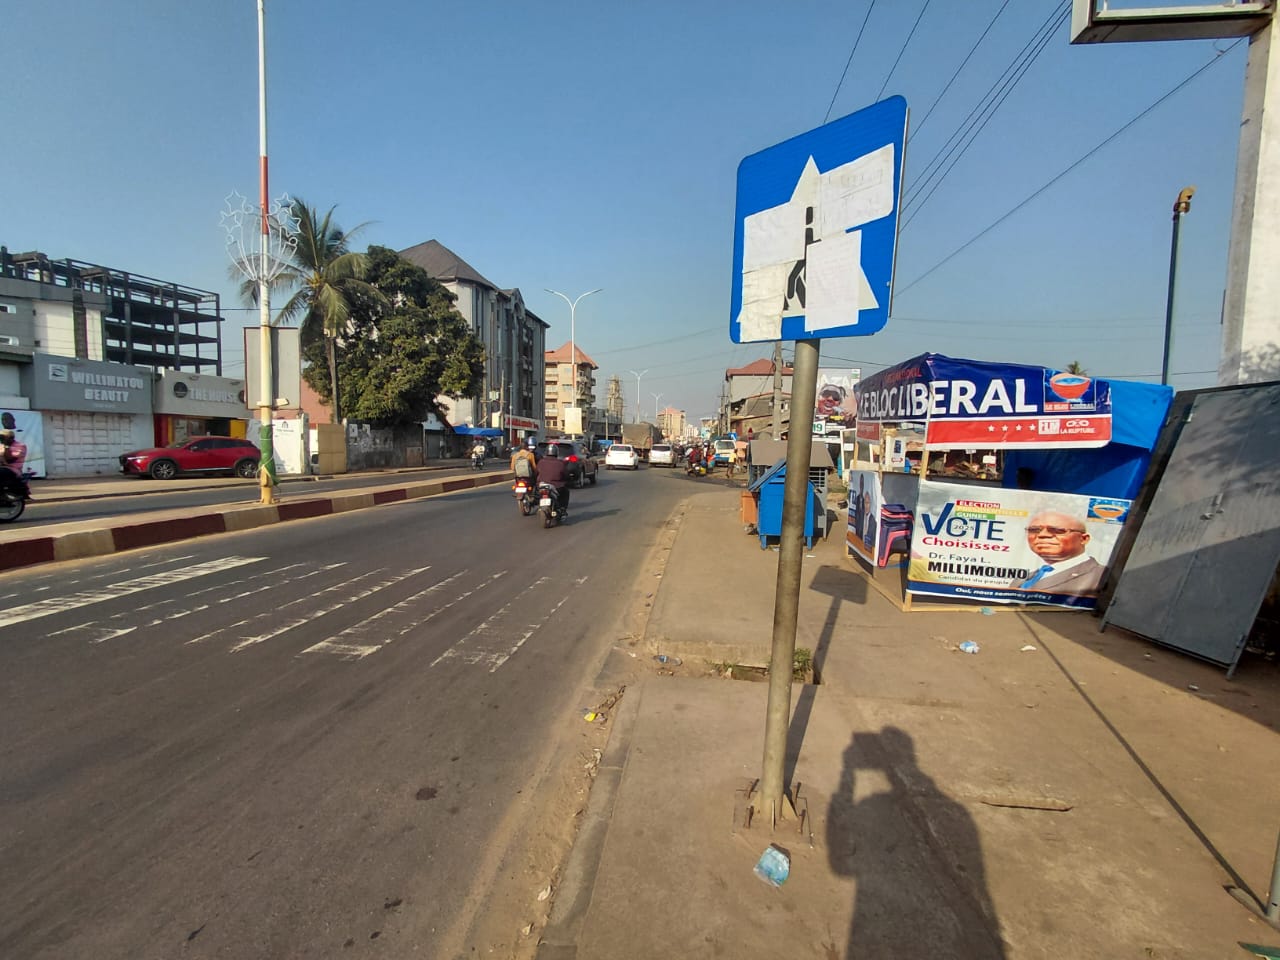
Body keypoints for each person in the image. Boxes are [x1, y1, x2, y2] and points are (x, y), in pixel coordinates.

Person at [1009, 510, 1104, 595]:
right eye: (1034, 530)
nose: (1042, 535)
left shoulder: (1101, 576)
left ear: (1083, 539)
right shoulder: (1021, 579)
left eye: (1057, 530)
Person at [535, 443, 570, 516]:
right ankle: (563, 509)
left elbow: (536, 472)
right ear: (556, 453)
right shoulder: (560, 463)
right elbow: (566, 475)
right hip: (556, 486)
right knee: (566, 492)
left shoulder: (541, 462)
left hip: (541, 485)